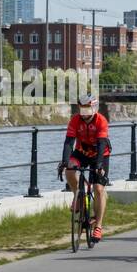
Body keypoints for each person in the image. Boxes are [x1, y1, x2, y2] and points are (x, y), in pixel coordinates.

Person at [59, 93, 111, 240]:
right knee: (69, 170)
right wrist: (64, 161)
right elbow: (69, 142)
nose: (84, 113)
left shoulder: (101, 120)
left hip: (100, 155)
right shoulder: (75, 120)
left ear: (94, 108)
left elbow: (101, 143)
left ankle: (98, 226)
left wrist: (99, 164)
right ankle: (79, 196)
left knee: (98, 189)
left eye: (87, 109)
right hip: (81, 152)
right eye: (81, 109)